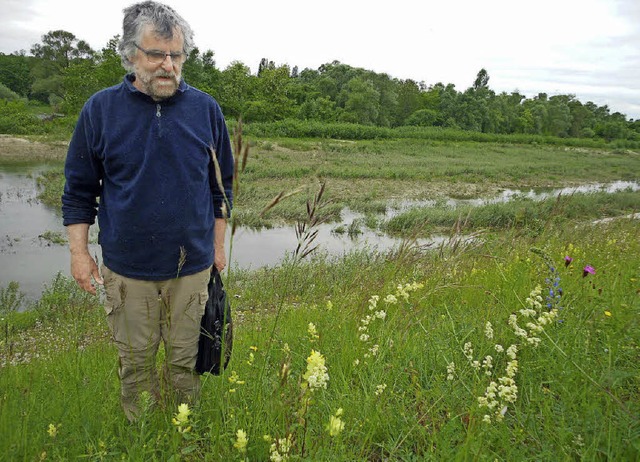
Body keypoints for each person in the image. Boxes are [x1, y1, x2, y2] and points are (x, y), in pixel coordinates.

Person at [62, 0, 234, 421]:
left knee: (185, 363)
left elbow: (221, 187)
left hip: (191, 269)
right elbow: (79, 191)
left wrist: (217, 248)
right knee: (135, 365)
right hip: (126, 271)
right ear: (130, 54)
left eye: (176, 55)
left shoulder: (206, 110)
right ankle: (141, 436)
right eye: (156, 54)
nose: (168, 65)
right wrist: (79, 254)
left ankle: (182, 431)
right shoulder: (100, 111)